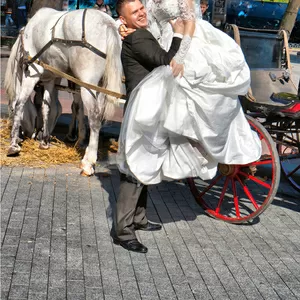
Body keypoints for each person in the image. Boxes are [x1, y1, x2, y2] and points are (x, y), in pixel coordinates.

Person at [117, 0, 262, 185]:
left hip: (188, 37)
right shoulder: (148, 2)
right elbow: (145, 21)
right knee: (166, 104)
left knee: (190, 89)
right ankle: (164, 154)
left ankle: (201, 145)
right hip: (164, 43)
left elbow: (190, 21)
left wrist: (181, 55)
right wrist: (131, 31)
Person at [111, 0, 184, 254]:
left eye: (142, 8)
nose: (141, 13)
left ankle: (139, 218)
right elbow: (165, 60)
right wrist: (178, 32)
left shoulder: (138, 33)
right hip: (141, 110)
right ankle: (122, 231)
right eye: (135, 12)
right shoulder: (138, 37)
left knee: (145, 163)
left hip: (147, 108)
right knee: (134, 169)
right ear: (124, 19)